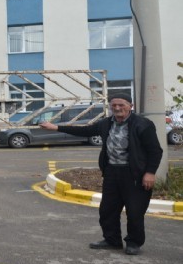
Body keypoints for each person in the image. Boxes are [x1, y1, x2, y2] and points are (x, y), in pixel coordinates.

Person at [39, 93, 163, 255]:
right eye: (114, 105)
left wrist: (150, 173)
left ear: (130, 106)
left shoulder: (143, 124)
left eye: (121, 105)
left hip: (135, 175)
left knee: (134, 211)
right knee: (107, 210)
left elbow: (155, 151)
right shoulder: (106, 123)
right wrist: (56, 127)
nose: (117, 108)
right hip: (112, 172)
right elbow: (86, 131)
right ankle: (112, 240)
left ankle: (133, 242)